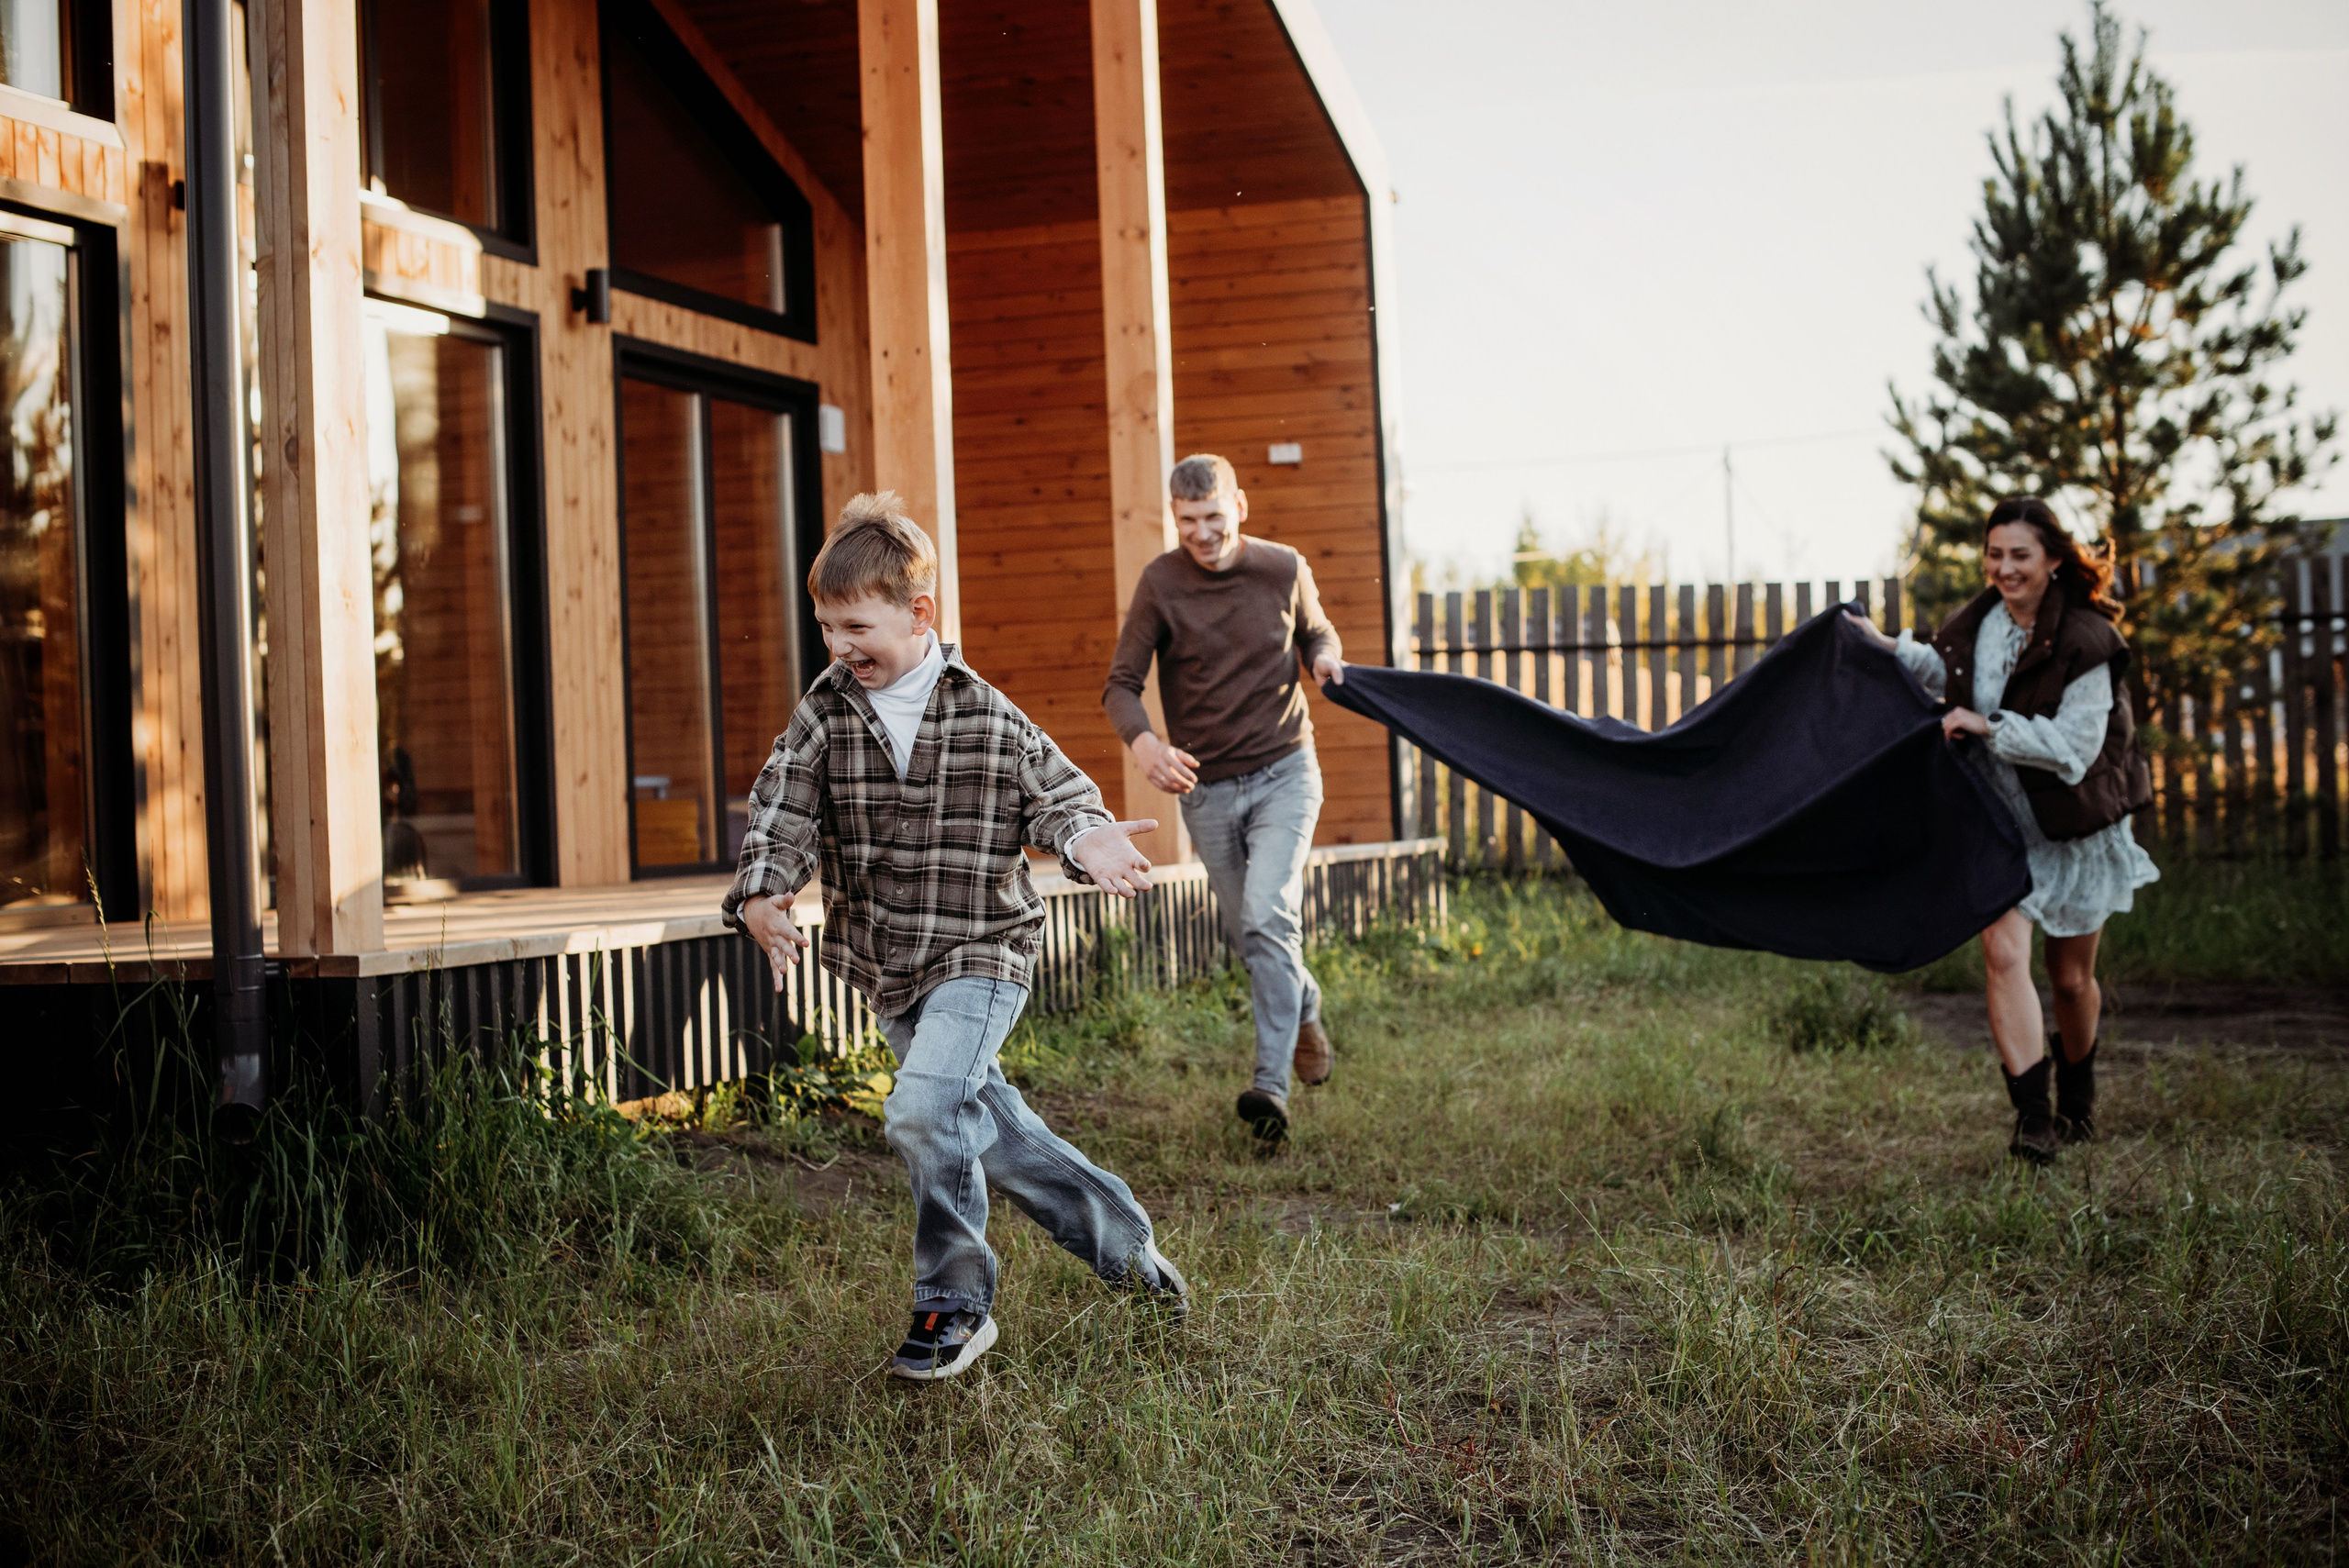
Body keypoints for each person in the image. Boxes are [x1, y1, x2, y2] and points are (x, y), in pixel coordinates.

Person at [725, 492, 1189, 1382]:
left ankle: (954, 1300)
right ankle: (1127, 1250)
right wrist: (765, 890)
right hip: (892, 962)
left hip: (982, 951)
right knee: (990, 1129)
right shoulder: (823, 713)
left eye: (855, 624)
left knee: (921, 1107)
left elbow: (1058, 796)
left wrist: (1088, 840)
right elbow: (782, 805)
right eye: (825, 627)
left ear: (919, 613)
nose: (838, 646)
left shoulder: (985, 712)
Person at [1850, 495, 2155, 1162]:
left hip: (2070, 827)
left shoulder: (2088, 640)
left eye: (2020, 555)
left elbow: (2074, 746)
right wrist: (1882, 644)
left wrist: (1988, 726)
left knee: (2070, 979)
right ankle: (2034, 1119)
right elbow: (1946, 669)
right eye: (1995, 554)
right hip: (1999, 821)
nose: (2005, 568)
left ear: (2052, 559)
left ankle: (2078, 1098)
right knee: (2003, 953)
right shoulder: (1981, 621)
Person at [1104, 453, 1345, 1145]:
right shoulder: (1161, 583)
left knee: (1268, 915)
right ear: (1175, 519)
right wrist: (1147, 745)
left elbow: (1316, 630)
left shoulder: (1282, 566)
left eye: (1213, 517)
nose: (1202, 534)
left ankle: (1270, 1083)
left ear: (1239, 504)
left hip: (1285, 773)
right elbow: (1121, 683)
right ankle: (1305, 1005)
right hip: (1206, 791)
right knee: (1252, 935)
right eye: (1187, 522)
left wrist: (1324, 657)